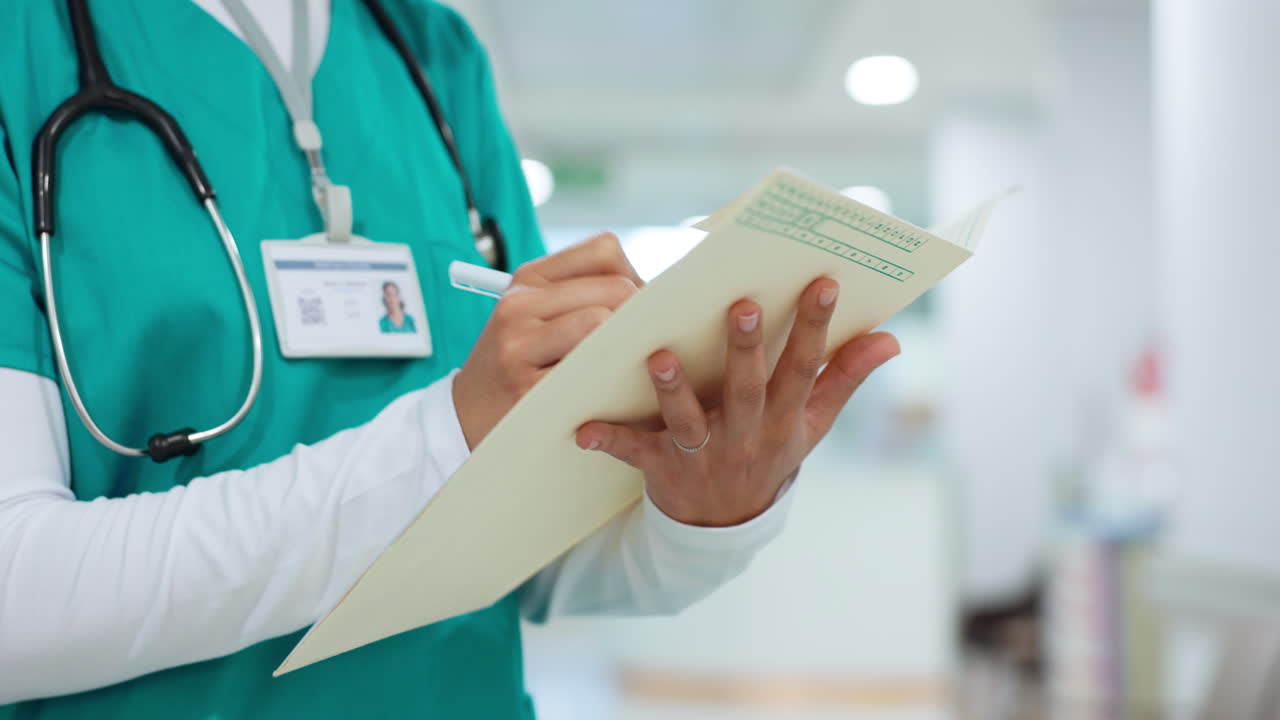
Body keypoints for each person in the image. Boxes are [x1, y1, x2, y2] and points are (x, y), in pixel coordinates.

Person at [0, 1, 901, 718]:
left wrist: (702, 518)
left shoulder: (431, 53)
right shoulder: (23, 42)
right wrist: (447, 435)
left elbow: (534, 564)